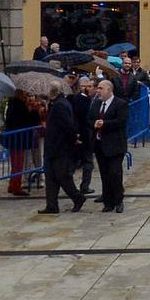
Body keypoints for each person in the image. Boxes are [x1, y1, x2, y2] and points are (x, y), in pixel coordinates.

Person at [39, 80, 86, 214]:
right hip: (54, 147)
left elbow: (67, 125)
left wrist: (74, 139)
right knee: (51, 177)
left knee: (62, 176)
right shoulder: (56, 103)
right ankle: (52, 205)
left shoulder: (60, 105)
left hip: (59, 147)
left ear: (53, 92)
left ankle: (77, 197)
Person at [90, 79, 128, 212]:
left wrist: (104, 124)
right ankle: (108, 202)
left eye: (100, 88)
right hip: (100, 144)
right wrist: (94, 124)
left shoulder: (120, 104)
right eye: (97, 88)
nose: (98, 91)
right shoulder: (96, 103)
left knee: (115, 173)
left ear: (109, 90)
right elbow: (89, 118)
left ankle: (118, 200)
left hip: (116, 145)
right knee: (104, 174)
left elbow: (121, 121)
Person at [3, 89, 38, 197]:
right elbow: (28, 121)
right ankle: (16, 187)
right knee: (18, 163)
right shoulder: (19, 106)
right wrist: (32, 110)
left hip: (17, 138)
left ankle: (13, 184)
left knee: (16, 163)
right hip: (18, 138)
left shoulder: (14, 104)